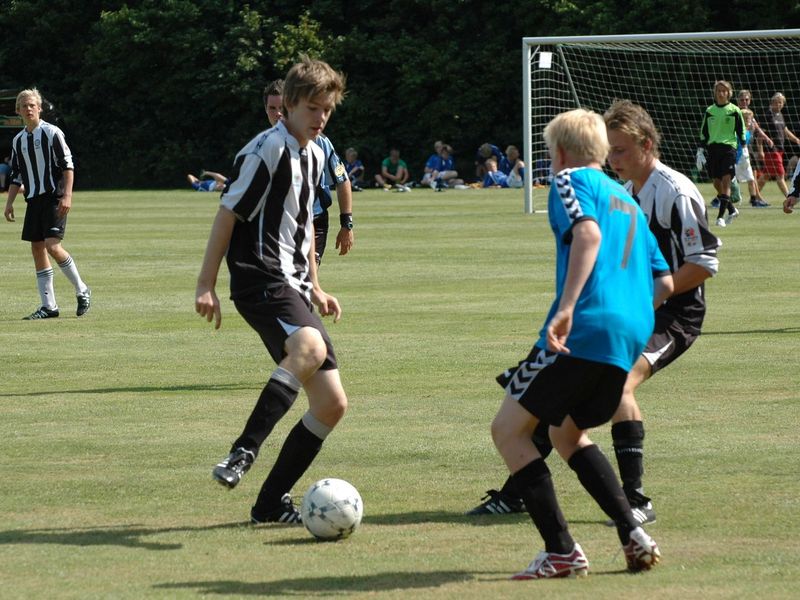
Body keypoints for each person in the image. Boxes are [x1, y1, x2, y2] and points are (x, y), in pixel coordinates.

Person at [469, 101, 719, 530]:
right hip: (636, 307)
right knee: (559, 401)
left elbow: (704, 263)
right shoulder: (626, 194)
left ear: (647, 145)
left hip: (674, 313)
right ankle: (517, 494)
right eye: (610, 150)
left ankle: (637, 502)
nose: (613, 160)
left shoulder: (674, 191)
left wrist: (634, 300)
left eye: (620, 151)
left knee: (617, 386)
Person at [490, 108, 671, 579]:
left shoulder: (571, 182)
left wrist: (571, 306)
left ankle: (562, 550)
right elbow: (665, 282)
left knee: (509, 431)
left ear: (563, 153)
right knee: (566, 433)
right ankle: (632, 531)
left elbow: (587, 234)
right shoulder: (628, 200)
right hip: (629, 334)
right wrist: (625, 315)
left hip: (584, 327)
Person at [196, 58, 348, 524]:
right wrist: (206, 285)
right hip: (258, 276)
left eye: (328, 110)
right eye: (313, 109)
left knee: (331, 404)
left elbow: (301, 227)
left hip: (293, 283)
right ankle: (243, 451)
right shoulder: (266, 151)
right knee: (308, 344)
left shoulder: (319, 152)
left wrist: (316, 286)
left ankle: (267, 504)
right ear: (290, 105)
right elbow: (227, 215)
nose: (321, 118)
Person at [3, 88, 91, 320]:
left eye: (32, 105)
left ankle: (82, 289)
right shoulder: (18, 140)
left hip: (54, 197)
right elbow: (17, 175)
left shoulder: (52, 133)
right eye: (24, 106)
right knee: (37, 249)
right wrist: (9, 202)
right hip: (33, 200)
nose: (29, 108)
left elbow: (67, 166)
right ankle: (48, 306)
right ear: (18, 111)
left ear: (39, 108)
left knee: (53, 246)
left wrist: (68, 196)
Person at [263, 79, 354, 264]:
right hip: (278, 224)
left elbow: (342, 180)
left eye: (282, 107)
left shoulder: (318, 141)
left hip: (314, 220)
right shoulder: (262, 146)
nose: (278, 113)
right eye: (272, 108)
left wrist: (347, 224)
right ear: (265, 109)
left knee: (304, 281)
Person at [698, 80, 746, 227]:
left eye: (724, 91)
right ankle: (732, 210)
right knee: (716, 182)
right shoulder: (709, 110)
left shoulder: (734, 110)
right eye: (718, 91)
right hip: (713, 149)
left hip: (729, 149)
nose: (721, 93)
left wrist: (743, 149)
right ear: (715, 93)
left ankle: (720, 217)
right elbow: (704, 132)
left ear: (729, 93)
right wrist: (700, 150)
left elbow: (741, 129)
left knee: (726, 181)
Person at [757, 92, 800, 197]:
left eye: (781, 102)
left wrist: (796, 140)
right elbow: (760, 135)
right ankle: (789, 197)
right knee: (780, 175)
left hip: (779, 150)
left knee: (766, 175)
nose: (779, 104)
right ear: (772, 102)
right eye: (776, 102)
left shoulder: (780, 115)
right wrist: (760, 150)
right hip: (771, 150)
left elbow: (785, 131)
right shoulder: (767, 116)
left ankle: (755, 196)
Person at [736, 89, 772, 207]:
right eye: (742, 100)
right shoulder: (735, 113)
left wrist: (767, 138)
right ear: (738, 100)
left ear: (750, 100)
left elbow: (757, 128)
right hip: (738, 149)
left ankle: (756, 198)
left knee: (752, 175)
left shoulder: (749, 114)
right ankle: (722, 197)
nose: (744, 102)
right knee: (732, 176)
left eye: (746, 99)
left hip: (749, 148)